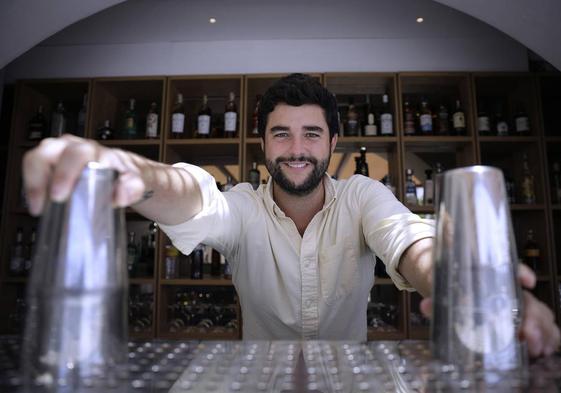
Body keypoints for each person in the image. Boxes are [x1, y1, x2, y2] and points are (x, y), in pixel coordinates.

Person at [23, 74, 559, 356]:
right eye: (281, 133)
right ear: (262, 144)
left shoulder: (363, 196)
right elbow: (191, 192)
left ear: (332, 143)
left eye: (311, 134)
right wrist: (136, 171)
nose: (296, 148)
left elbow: (411, 240)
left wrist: (461, 282)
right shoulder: (241, 209)